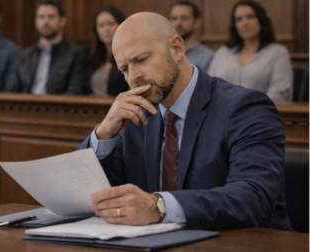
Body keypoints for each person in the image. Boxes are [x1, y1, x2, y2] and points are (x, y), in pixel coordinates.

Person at [78, 12, 292, 231]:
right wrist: (104, 135)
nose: (133, 77)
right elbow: (85, 193)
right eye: (124, 69)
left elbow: (254, 199)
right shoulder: (134, 117)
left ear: (177, 49)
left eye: (141, 59)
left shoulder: (245, 107)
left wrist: (159, 208)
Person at [208, 0, 292, 103]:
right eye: (239, 19)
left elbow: (280, 96)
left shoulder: (278, 53)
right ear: (235, 25)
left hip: (258, 116)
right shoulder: (222, 53)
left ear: (261, 20)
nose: (245, 23)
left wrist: (245, 107)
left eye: (250, 17)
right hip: (221, 114)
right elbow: (208, 87)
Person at [5, 0, 88, 95]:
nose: (46, 21)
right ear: (36, 21)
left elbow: (75, 92)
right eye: (41, 17)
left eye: (51, 16)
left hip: (58, 108)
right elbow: (11, 91)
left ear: (62, 21)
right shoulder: (23, 55)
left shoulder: (76, 54)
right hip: (25, 107)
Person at [89, 6, 128, 96]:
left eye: (110, 23)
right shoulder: (91, 58)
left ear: (121, 25)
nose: (106, 29)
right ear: (96, 30)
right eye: (101, 25)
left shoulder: (128, 56)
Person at [169, 1, 213, 71]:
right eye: (174, 18)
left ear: (197, 23)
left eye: (184, 18)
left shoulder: (208, 56)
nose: (178, 23)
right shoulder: (164, 51)